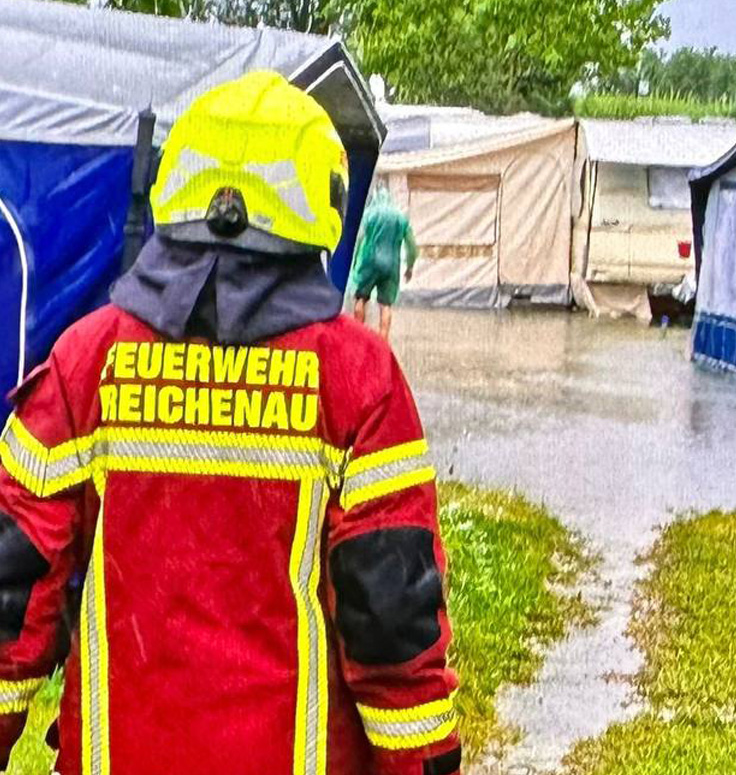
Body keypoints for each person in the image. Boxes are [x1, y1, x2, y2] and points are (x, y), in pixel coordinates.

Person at [0, 71, 459, 775]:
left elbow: (11, 595)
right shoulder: (358, 378)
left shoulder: (84, 362)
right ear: (322, 204)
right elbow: (392, 625)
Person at [351, 184, 419, 339]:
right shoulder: (400, 218)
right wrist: (409, 267)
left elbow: (360, 239)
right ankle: (383, 341)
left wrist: (355, 261)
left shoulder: (370, 213)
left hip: (369, 262)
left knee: (361, 297)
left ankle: (358, 336)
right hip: (391, 265)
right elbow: (412, 247)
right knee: (385, 305)